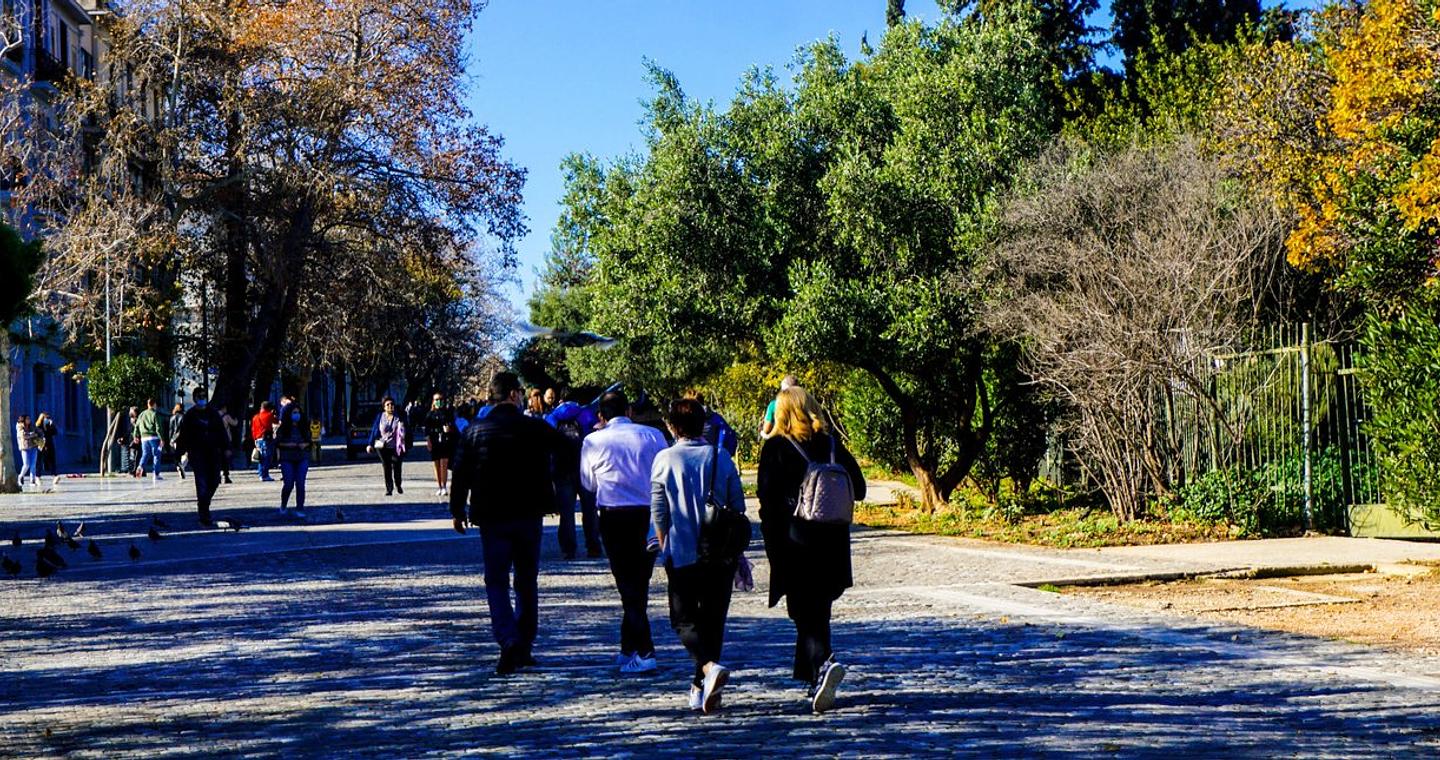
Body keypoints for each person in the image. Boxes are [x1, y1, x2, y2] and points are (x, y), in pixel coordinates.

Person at [449, 371, 567, 675]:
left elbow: (460, 473)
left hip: (492, 515)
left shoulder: (475, 430)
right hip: (529, 514)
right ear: (514, 395)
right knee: (526, 581)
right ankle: (524, 645)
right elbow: (566, 450)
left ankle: (508, 638)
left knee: (496, 581)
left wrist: (456, 510)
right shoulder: (535, 427)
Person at [757, 386, 866, 713]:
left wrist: (770, 543)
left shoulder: (776, 448)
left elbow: (767, 500)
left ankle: (824, 661)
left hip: (796, 539)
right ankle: (812, 677)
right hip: (833, 540)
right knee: (818, 610)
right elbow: (858, 489)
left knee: (803, 611)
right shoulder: (832, 445)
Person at [651, 398, 747, 714]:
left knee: (682, 619)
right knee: (713, 621)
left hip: (682, 553)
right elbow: (738, 506)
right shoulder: (721, 457)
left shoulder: (664, 460)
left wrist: (664, 546)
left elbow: (659, 511)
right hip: (721, 554)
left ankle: (706, 670)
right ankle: (702, 687)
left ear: (672, 426)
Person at [580, 390, 668, 674]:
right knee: (638, 582)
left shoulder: (593, 441)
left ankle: (645, 649)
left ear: (601, 416)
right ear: (629, 411)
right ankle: (628, 645)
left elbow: (588, 484)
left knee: (627, 584)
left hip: (615, 515)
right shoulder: (653, 435)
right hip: (649, 515)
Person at [546, 389, 602, 560]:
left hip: (562, 470)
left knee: (566, 512)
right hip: (584, 467)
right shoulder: (585, 414)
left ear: (561, 399)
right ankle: (593, 546)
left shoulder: (553, 417)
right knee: (589, 510)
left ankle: (568, 549)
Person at [174, 388, 232, 526]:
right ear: (194, 399)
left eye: (203, 396)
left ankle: (205, 502)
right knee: (202, 483)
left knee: (215, 480)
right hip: (197, 453)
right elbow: (183, 435)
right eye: (199, 397)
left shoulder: (213, 414)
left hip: (213, 452)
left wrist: (227, 448)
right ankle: (204, 511)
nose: (202, 399)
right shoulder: (190, 415)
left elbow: (222, 432)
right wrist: (179, 453)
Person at [275, 404, 313, 519]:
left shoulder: (304, 427)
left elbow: (310, 441)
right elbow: (277, 442)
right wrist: (289, 445)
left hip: (302, 457)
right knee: (289, 483)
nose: (296, 415)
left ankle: (300, 508)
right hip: (287, 457)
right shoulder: (283, 428)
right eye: (294, 413)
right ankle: (283, 505)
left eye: (298, 413)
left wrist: (304, 444)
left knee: (300, 483)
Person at [366, 396, 407, 495]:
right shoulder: (380, 417)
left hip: (396, 447)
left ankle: (398, 484)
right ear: (384, 407)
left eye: (392, 404)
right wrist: (370, 444)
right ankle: (389, 488)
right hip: (382, 446)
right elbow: (374, 430)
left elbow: (406, 430)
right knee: (386, 467)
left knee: (397, 465)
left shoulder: (399, 416)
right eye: (387, 405)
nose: (390, 406)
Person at [424, 392, 455, 497]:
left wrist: (449, 429)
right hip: (434, 440)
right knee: (436, 464)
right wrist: (428, 441)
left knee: (444, 464)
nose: (439, 402)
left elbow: (452, 425)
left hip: (445, 440)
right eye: (436, 399)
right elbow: (427, 430)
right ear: (433, 401)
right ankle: (439, 486)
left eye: (440, 399)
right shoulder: (430, 414)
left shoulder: (448, 413)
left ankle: (444, 486)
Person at [134, 398, 166, 480]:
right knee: (156, 455)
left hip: (144, 438)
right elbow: (158, 428)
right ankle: (156, 474)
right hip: (154, 437)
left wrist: (136, 436)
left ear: (148, 404)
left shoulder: (141, 414)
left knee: (145, 454)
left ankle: (140, 466)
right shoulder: (155, 414)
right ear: (154, 404)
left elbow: (136, 426)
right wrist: (162, 438)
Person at [251, 401, 277, 482]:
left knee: (261, 458)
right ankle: (264, 475)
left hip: (258, 439)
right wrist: (273, 414)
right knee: (266, 457)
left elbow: (253, 430)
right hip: (266, 439)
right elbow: (276, 421)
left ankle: (261, 473)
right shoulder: (269, 415)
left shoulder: (255, 417)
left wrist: (255, 439)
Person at [14, 414, 39, 488]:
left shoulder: (32, 426)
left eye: (29, 418)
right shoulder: (19, 427)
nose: (29, 420)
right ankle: (20, 476)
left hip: (33, 446)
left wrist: (40, 436)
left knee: (33, 465)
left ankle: (32, 481)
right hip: (24, 447)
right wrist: (32, 434)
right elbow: (23, 435)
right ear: (23, 420)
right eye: (27, 419)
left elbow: (37, 432)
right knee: (26, 464)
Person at [217, 404, 240, 484]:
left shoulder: (214, 416)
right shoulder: (226, 416)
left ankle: (218, 476)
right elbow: (234, 423)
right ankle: (226, 476)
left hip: (216, 440)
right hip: (226, 439)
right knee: (225, 458)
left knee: (218, 458)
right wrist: (236, 419)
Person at [169, 403, 188, 480]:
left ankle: (179, 466)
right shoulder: (184, 417)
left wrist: (171, 439)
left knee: (177, 455)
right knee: (186, 454)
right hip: (184, 438)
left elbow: (170, 430)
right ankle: (182, 466)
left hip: (175, 439)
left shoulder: (172, 418)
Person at [36, 412, 58, 480]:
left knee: (52, 458)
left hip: (49, 442)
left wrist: (52, 425)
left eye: (49, 418)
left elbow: (55, 432)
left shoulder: (49, 425)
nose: (48, 419)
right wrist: (39, 443)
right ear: (42, 418)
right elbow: (36, 435)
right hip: (41, 442)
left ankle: (54, 474)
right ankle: (38, 476)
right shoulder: (38, 426)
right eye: (46, 418)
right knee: (40, 459)